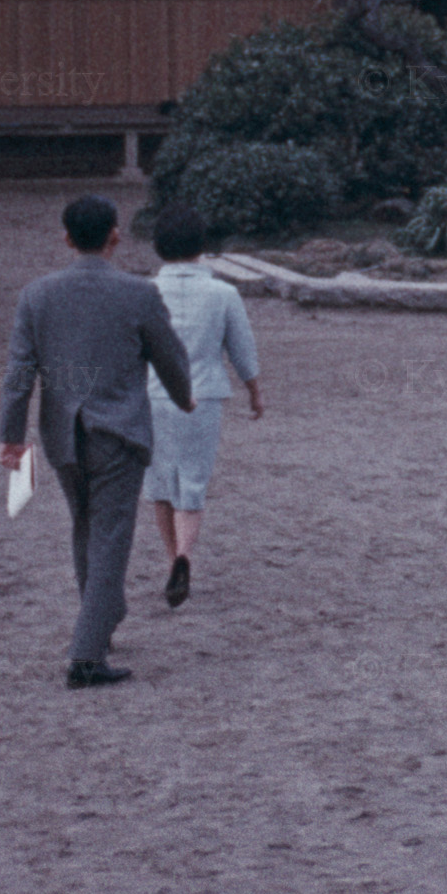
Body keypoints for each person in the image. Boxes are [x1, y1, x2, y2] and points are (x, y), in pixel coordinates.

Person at [0, 192, 197, 690]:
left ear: (66, 238)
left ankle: (102, 619)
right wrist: (185, 399)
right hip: (120, 432)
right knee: (110, 536)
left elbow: (19, 374)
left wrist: (11, 437)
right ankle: (87, 655)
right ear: (115, 235)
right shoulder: (139, 294)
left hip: (62, 435)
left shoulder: (36, 295)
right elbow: (169, 356)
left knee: (86, 528)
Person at [143, 205, 263, 607]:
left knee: (161, 482)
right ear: (202, 244)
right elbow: (242, 349)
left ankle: (170, 560)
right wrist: (254, 391)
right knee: (192, 480)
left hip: (153, 395)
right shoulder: (223, 294)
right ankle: (185, 556)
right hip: (204, 395)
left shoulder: (145, 292)